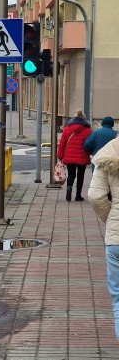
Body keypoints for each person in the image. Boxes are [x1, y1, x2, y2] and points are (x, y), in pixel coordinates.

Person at [88, 137, 119, 340]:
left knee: (118, 297)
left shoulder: (110, 152)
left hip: (117, 238)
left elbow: (96, 196)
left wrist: (110, 219)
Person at [57, 109, 92, 201]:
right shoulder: (88, 130)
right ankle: (78, 195)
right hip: (82, 156)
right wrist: (90, 152)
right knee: (81, 175)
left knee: (71, 174)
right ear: (84, 119)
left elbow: (62, 144)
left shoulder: (67, 129)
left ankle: (69, 188)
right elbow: (89, 144)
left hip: (69, 156)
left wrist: (60, 156)